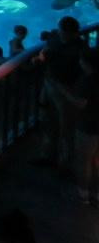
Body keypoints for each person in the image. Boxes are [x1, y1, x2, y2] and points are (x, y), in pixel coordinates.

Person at [39, 16, 85, 168]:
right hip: (49, 84)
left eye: (62, 31)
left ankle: (65, 163)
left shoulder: (79, 48)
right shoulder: (55, 38)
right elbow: (46, 47)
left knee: (67, 127)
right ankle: (48, 155)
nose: (59, 32)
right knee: (48, 121)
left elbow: (82, 71)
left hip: (66, 90)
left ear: (71, 33)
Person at [58, 46, 99, 205]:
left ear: (87, 63)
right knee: (96, 161)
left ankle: (83, 194)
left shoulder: (87, 81)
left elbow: (81, 103)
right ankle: (96, 193)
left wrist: (64, 92)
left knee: (84, 160)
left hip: (88, 125)